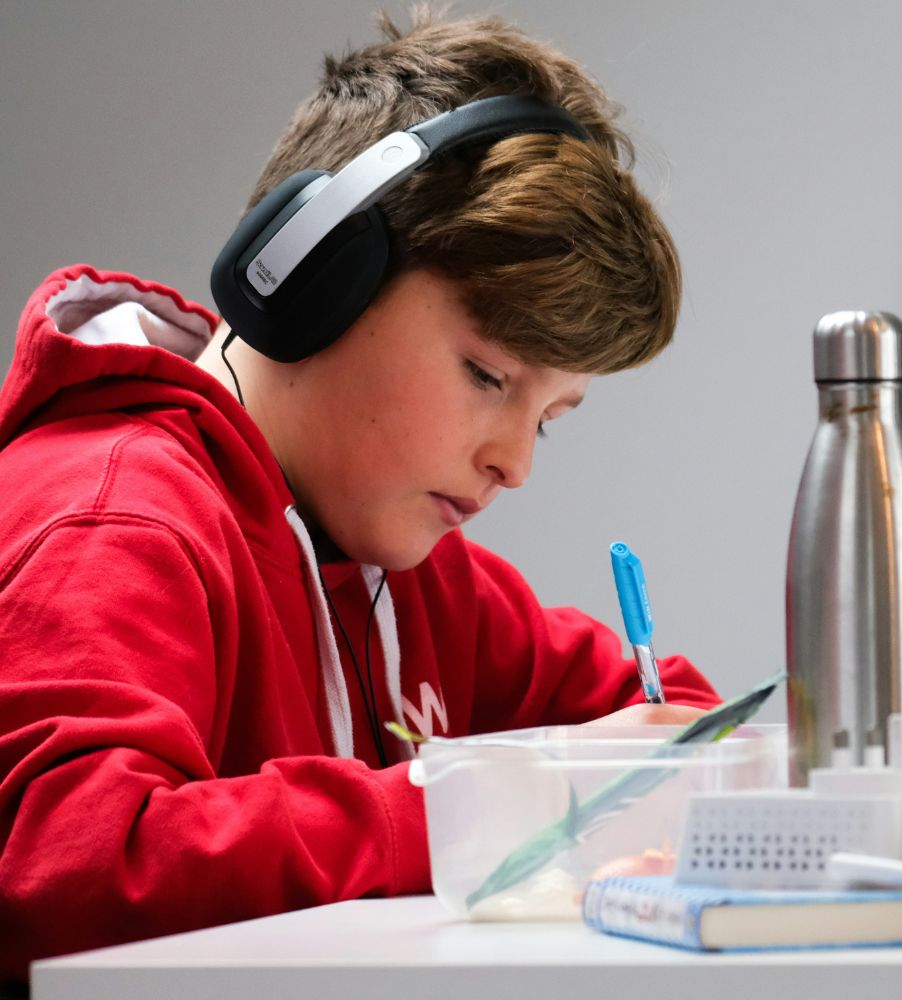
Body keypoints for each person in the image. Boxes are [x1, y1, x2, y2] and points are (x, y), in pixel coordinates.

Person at [0, 7, 718, 982]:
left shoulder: (418, 579)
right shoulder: (114, 522)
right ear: (314, 279)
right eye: (488, 376)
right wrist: (480, 804)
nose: (517, 462)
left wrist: (669, 760)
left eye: (550, 416)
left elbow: (661, 715)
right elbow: (70, 867)